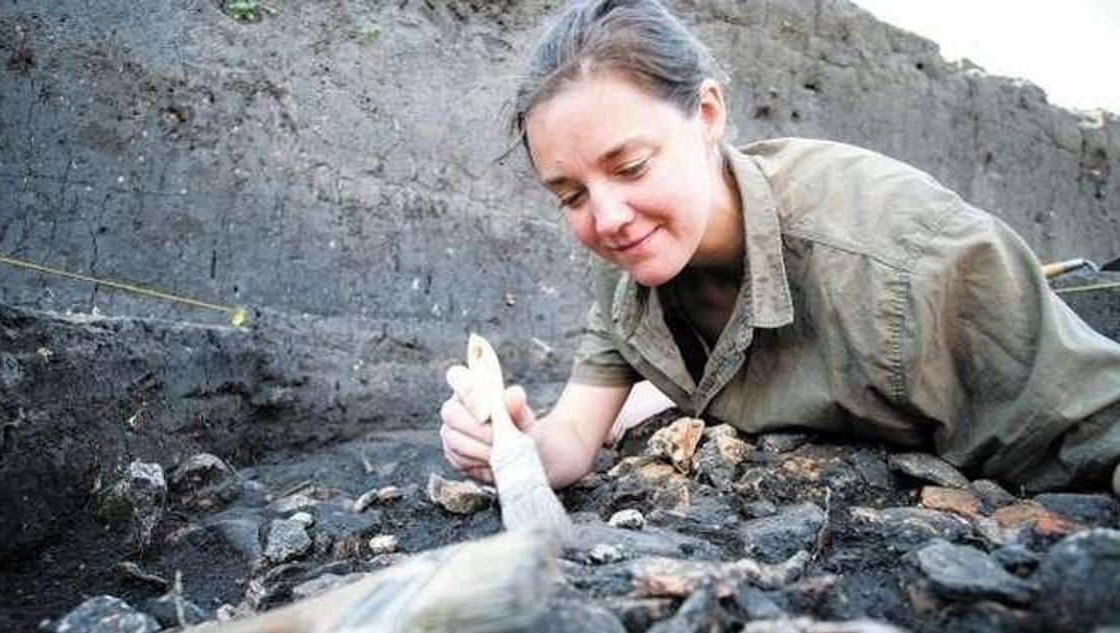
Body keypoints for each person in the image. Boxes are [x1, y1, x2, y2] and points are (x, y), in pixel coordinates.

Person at [440, 0, 1120, 496]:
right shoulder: (624, 271)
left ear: (706, 115)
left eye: (630, 167)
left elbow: (1098, 416)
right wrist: (514, 446)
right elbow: (571, 438)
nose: (607, 218)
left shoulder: (898, 260)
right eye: (571, 195)